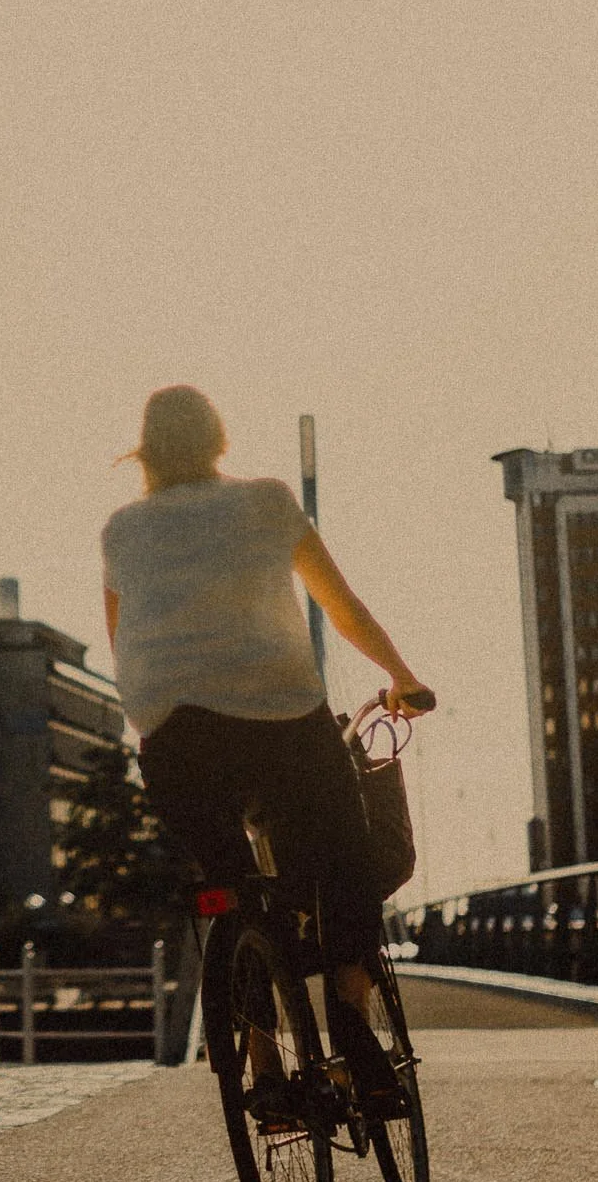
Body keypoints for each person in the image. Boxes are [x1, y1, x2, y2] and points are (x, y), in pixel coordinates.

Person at [101, 385, 432, 1060]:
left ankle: (261, 1060)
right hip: (282, 722)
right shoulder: (267, 501)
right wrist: (402, 676)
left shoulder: (122, 530)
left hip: (174, 741)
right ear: (218, 438)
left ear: (146, 451)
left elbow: (121, 641)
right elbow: (342, 606)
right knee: (344, 859)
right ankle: (353, 1031)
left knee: (230, 890)